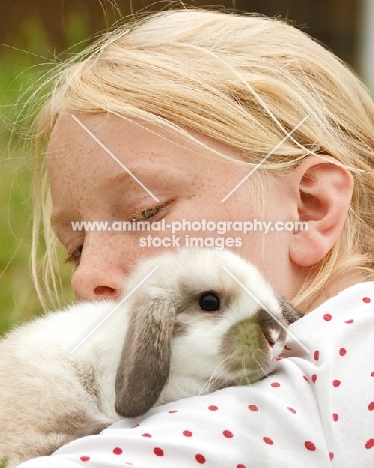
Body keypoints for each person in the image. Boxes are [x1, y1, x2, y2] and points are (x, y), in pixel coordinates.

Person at [17, 8, 374, 467]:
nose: (87, 277)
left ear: (309, 210)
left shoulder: (287, 388)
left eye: (146, 212)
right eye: (76, 249)